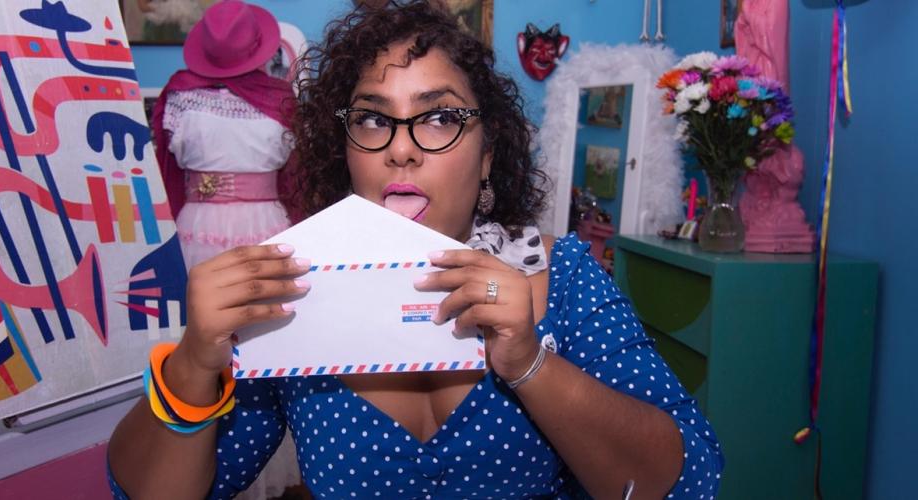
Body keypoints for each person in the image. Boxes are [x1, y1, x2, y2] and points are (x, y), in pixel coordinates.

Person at [109, 2, 723, 499]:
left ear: (487, 157)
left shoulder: (561, 277)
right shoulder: (293, 294)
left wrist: (530, 364)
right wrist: (191, 364)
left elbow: (685, 481)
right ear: (345, 151)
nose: (400, 148)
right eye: (374, 120)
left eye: (438, 118)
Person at [148, 1, 303, 497]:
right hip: (265, 226)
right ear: (259, 50)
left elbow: (165, 176)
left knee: (196, 348)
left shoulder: (177, 95)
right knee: (266, 350)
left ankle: (189, 464)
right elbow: (298, 184)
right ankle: (266, 465)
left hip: (197, 230)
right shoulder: (281, 101)